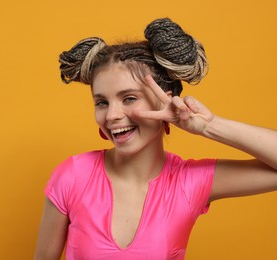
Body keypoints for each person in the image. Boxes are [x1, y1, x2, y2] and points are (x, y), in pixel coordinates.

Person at [34, 18, 277, 260]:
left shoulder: (189, 182)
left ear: (165, 100)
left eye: (129, 98)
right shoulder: (72, 176)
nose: (112, 115)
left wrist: (208, 127)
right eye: (102, 102)